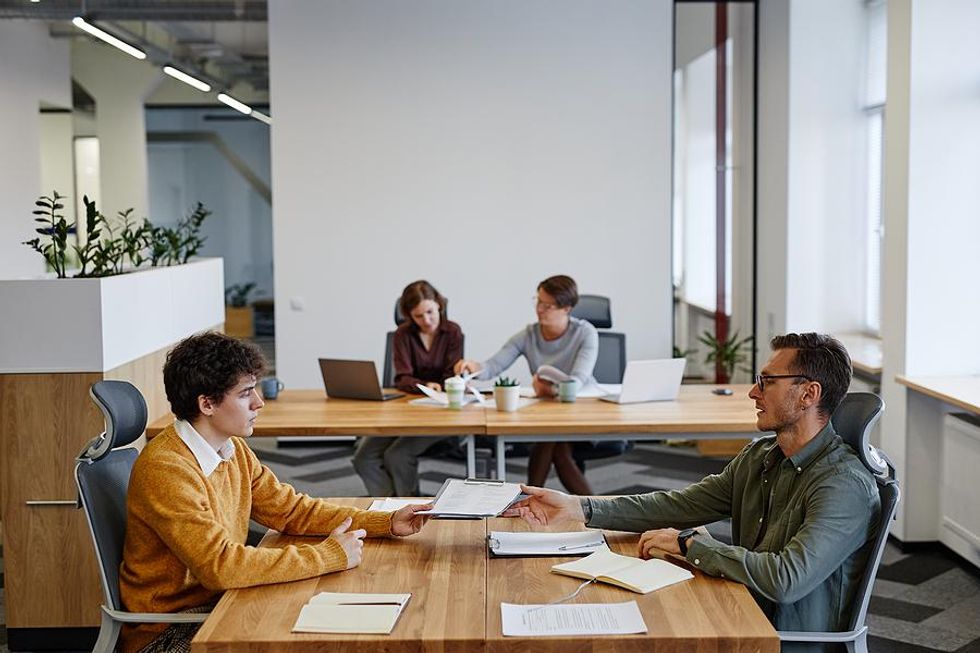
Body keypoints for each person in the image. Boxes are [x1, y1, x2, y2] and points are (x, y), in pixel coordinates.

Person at [507, 333, 880, 648]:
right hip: (738, 607)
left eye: (767, 381)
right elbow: (681, 505)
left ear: (808, 394)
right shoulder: (762, 456)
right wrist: (578, 507)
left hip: (775, 639)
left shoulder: (843, 485)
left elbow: (786, 579)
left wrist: (689, 545)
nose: (753, 392)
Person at [120, 332, 431, 653]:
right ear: (207, 403)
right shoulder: (168, 469)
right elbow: (221, 566)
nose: (259, 402)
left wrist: (386, 522)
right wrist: (328, 555)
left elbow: (291, 511)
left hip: (222, 602)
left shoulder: (231, 449)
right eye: (244, 394)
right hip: (173, 630)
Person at [454, 274, 598, 494]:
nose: (539, 309)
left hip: (581, 410)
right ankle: (591, 507)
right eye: (538, 301)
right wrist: (474, 367)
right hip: (549, 414)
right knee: (552, 441)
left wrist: (550, 390)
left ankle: (531, 498)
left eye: (547, 305)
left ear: (566, 309)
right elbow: (494, 365)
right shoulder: (528, 335)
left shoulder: (585, 333)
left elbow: (577, 381)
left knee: (551, 442)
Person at [352, 280, 464, 497]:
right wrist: (423, 386)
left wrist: (434, 386)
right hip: (405, 410)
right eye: (419, 316)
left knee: (397, 456)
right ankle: (388, 507)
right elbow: (402, 378)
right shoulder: (403, 334)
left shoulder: (453, 332)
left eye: (430, 312)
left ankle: (406, 509)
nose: (427, 320)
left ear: (439, 305)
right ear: (409, 315)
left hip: (442, 413)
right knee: (363, 458)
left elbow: (452, 376)